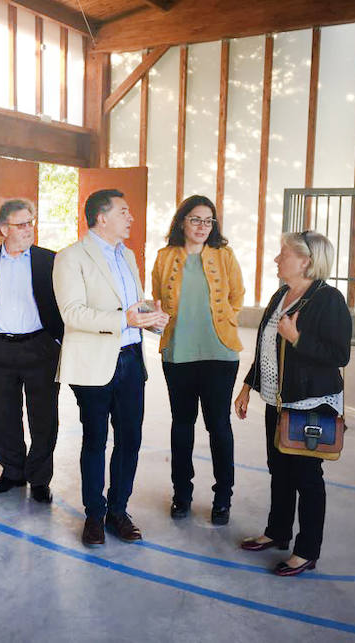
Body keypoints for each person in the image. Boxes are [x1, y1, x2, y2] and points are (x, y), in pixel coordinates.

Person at [53, 189, 168, 546]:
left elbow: (131, 307)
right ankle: (94, 516)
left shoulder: (128, 255)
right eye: (124, 211)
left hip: (132, 359)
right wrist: (125, 319)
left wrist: (150, 318)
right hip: (94, 364)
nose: (131, 217)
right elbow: (72, 313)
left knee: (130, 440)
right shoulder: (71, 257)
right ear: (102, 218)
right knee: (95, 440)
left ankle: (119, 510)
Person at [234, 230, 351, 576]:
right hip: (278, 400)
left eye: (283, 253)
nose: (276, 259)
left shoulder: (328, 300)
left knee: (307, 477)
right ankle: (277, 531)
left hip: (311, 402)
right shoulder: (281, 295)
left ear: (306, 261)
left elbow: (339, 354)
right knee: (279, 470)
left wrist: (298, 338)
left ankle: (306, 550)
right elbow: (266, 348)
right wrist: (247, 386)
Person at [151, 195, 245, 526]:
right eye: (196, 219)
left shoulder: (225, 255)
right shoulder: (165, 257)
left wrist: (222, 322)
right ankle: (182, 494)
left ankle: (223, 497)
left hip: (220, 354)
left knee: (218, 425)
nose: (202, 227)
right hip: (178, 354)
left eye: (208, 221)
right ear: (181, 222)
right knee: (182, 425)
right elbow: (159, 298)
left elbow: (237, 295)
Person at [0, 200, 63, 503]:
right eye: (21, 224)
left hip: (40, 348)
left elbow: (62, 304)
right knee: (1, 415)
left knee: (44, 418)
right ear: (2, 229)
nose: (28, 230)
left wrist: (57, 342)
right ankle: (12, 472)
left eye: (30, 223)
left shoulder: (50, 261)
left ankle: (39, 478)